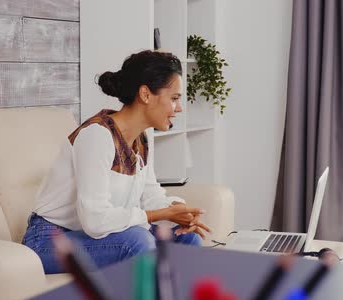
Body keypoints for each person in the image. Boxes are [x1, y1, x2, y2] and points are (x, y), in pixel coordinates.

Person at [22, 50, 211, 274]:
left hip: (95, 236)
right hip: (49, 240)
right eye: (175, 98)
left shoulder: (141, 138)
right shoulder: (97, 135)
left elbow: (151, 196)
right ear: (146, 94)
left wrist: (178, 211)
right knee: (137, 240)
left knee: (186, 237)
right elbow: (94, 219)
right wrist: (159, 216)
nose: (179, 108)